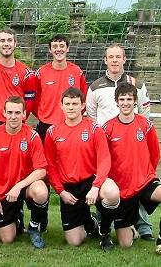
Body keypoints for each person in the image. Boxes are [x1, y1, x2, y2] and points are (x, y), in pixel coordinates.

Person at [85, 44, 154, 241]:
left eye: (118, 57)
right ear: (105, 60)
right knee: (110, 188)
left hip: (132, 148)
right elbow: (91, 117)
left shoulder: (137, 85)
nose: (114, 60)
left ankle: (143, 225)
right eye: (111, 57)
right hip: (107, 148)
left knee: (137, 184)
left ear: (124, 60)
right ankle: (103, 224)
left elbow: (145, 115)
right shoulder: (95, 87)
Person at [44, 87, 120, 247]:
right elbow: (50, 166)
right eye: (67, 103)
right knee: (74, 241)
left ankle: (105, 232)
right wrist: (61, 192)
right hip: (69, 188)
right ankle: (91, 222)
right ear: (61, 106)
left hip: (90, 181)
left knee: (112, 193)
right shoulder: (52, 132)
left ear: (83, 105)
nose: (71, 107)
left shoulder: (94, 128)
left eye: (75, 103)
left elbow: (104, 160)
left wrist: (96, 186)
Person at [101, 83, 161, 253]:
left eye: (129, 99)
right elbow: (104, 159)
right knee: (126, 244)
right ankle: (131, 228)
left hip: (144, 181)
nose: (125, 103)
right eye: (122, 99)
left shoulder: (145, 125)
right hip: (122, 189)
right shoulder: (108, 128)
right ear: (116, 102)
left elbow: (154, 153)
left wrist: (147, 172)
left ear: (135, 101)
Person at [0, 96, 49, 248]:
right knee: (7, 239)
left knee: (40, 190)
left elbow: (41, 170)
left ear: (24, 115)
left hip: (25, 187)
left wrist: (18, 187)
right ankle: (17, 220)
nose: (13, 116)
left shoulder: (32, 135)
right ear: (3, 113)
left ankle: (34, 226)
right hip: (3, 191)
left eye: (17, 113)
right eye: (10, 112)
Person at [0, 28, 36, 137]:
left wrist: (19, 117)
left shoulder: (27, 73)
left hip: (16, 123)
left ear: (15, 44)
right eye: (2, 40)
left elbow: (30, 101)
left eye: (9, 40)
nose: (6, 44)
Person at [34, 34, 87, 141]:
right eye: (55, 46)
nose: (59, 49)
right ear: (50, 50)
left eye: (62, 46)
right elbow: (35, 98)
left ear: (67, 49)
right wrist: (43, 115)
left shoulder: (77, 72)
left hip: (71, 124)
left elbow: (84, 96)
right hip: (47, 124)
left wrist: (75, 115)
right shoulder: (41, 73)